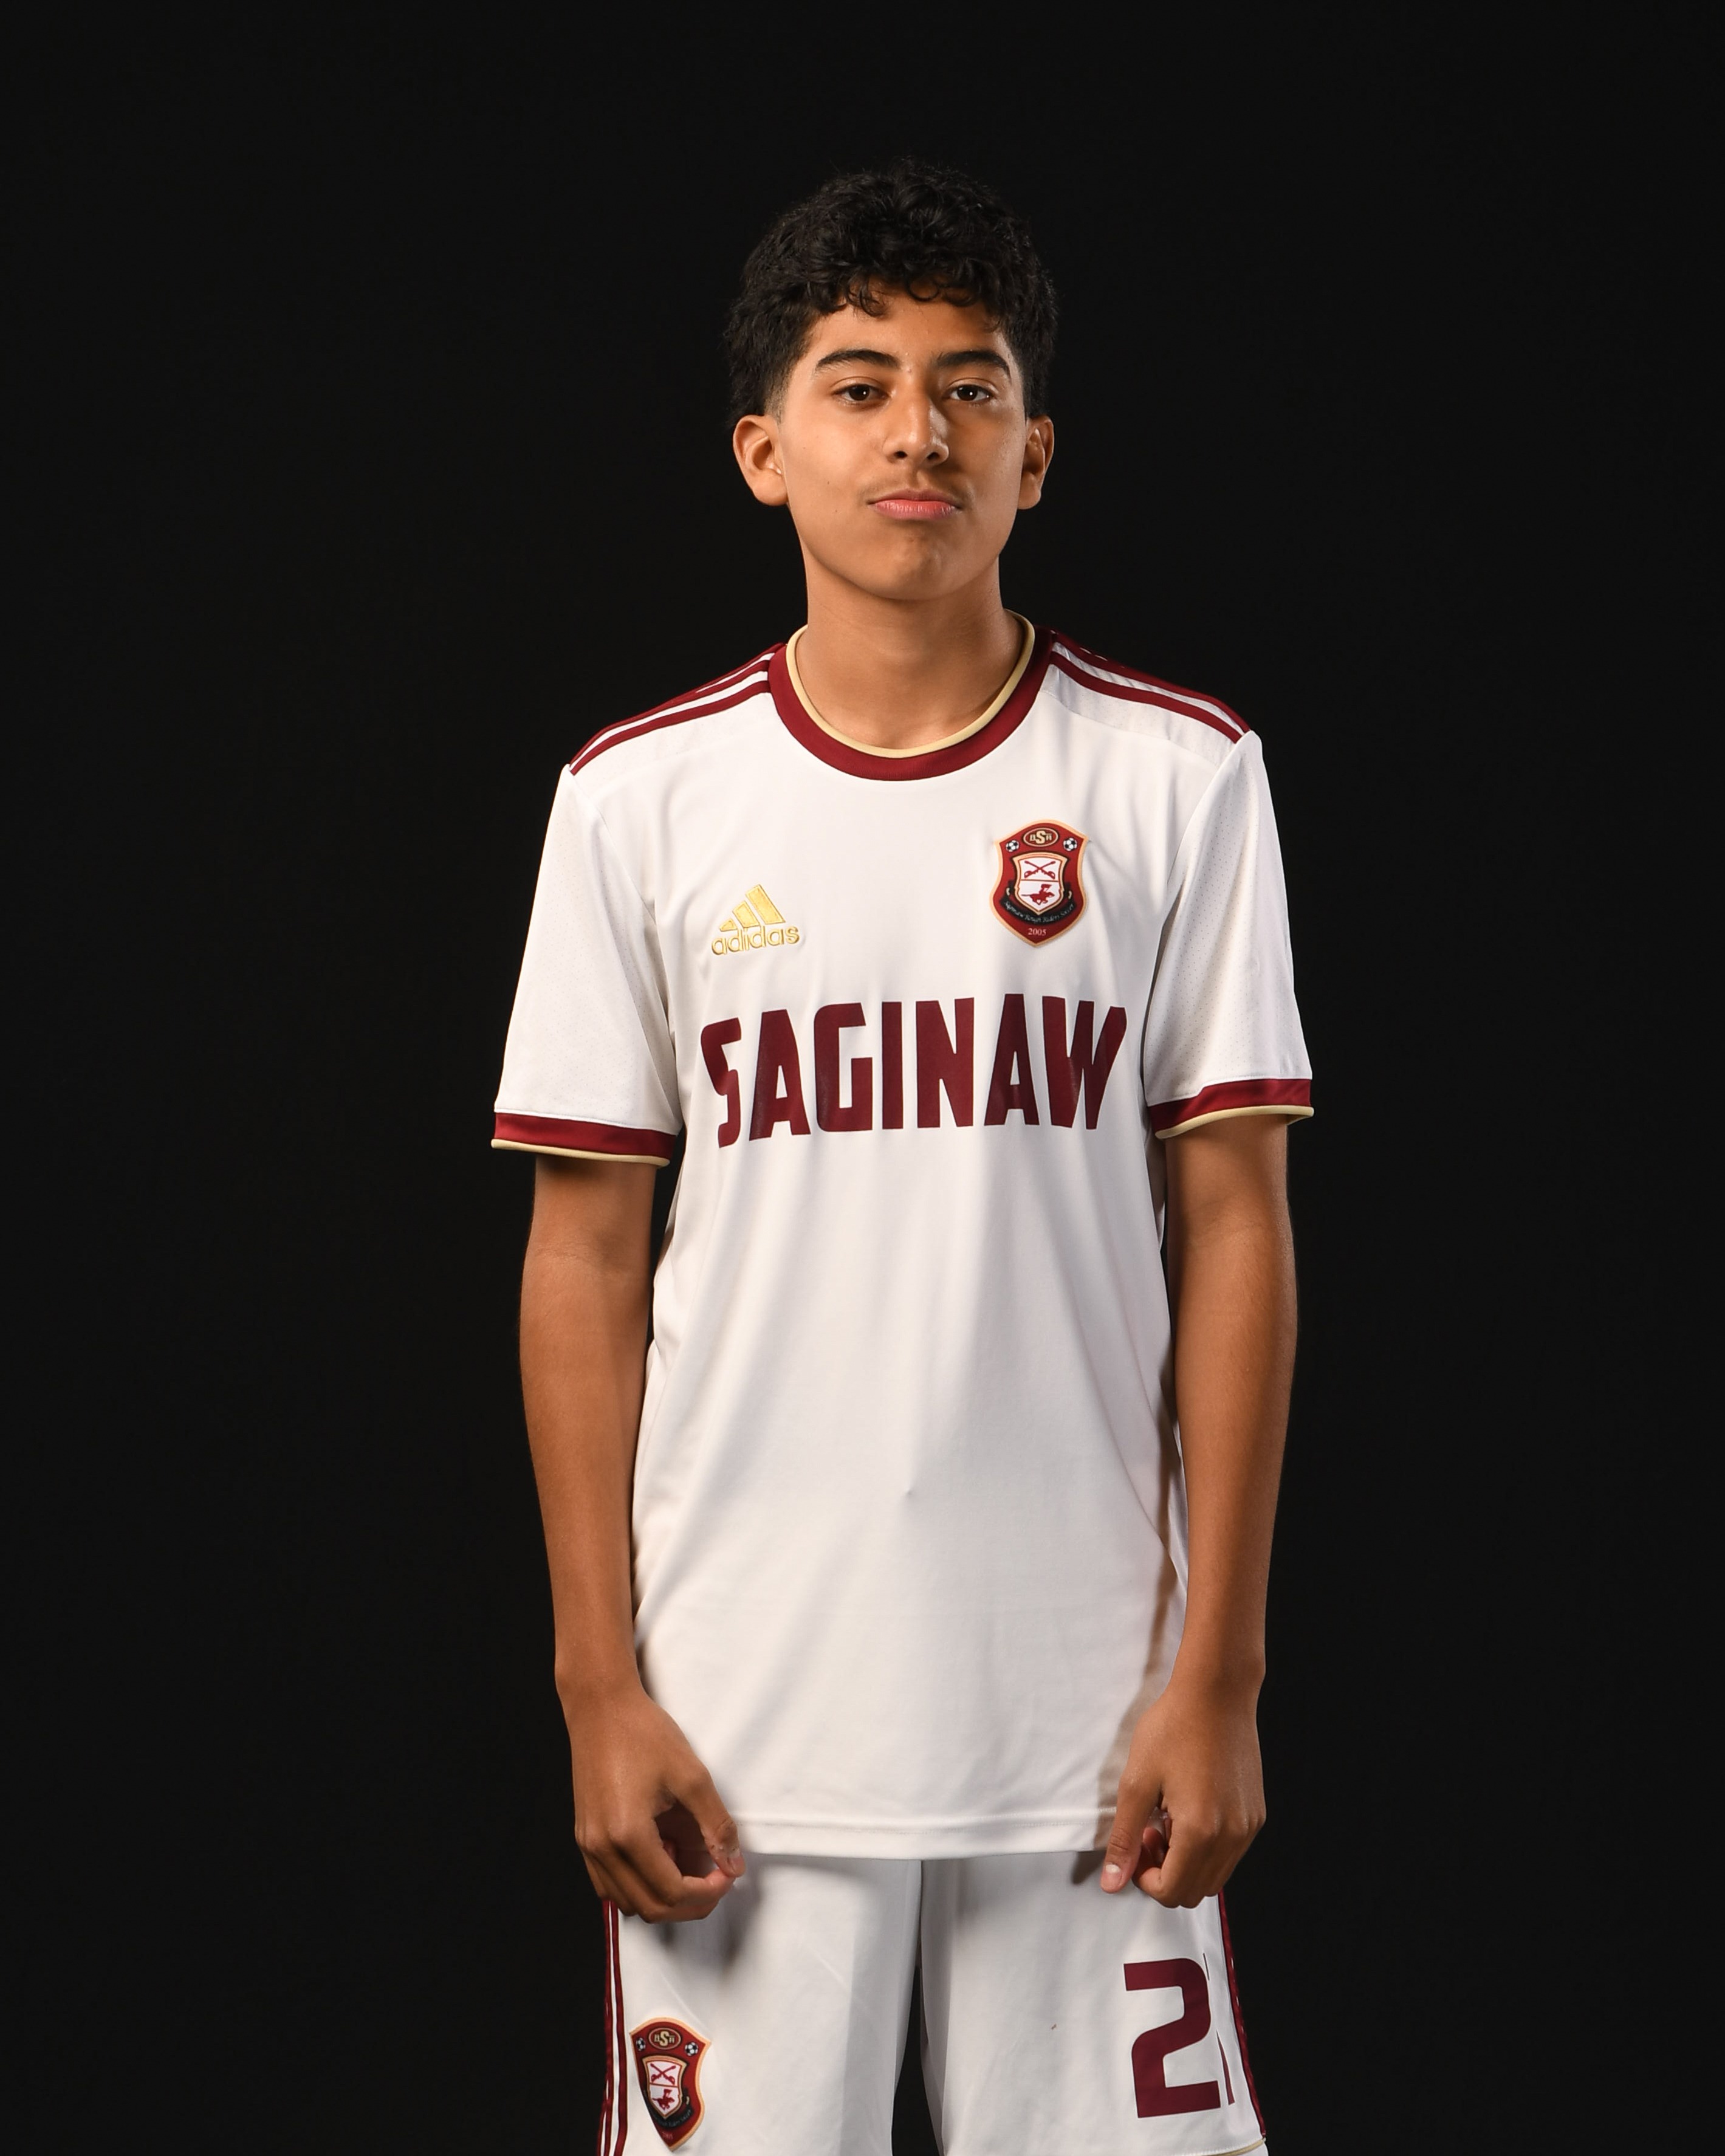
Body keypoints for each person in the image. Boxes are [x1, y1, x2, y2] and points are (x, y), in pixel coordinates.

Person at [494, 158, 1311, 2155]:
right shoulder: (641, 801)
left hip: (1094, 1716)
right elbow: (583, 1258)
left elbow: (1234, 1228)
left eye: (971, 387)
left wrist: (1219, 1674)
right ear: (764, 450)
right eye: (859, 386)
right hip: (742, 1721)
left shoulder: (1178, 778)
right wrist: (598, 1683)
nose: (918, 434)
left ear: (1038, 453)